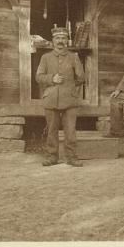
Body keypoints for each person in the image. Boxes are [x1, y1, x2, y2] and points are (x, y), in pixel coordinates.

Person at [35, 27, 85, 167]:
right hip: (51, 99)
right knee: (52, 130)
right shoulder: (45, 58)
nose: (60, 41)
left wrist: (69, 85)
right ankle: (52, 157)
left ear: (67, 41)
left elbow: (81, 77)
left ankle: (72, 157)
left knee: (70, 130)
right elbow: (38, 77)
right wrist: (52, 79)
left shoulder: (74, 57)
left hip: (69, 99)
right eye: (57, 38)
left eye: (63, 38)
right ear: (53, 41)